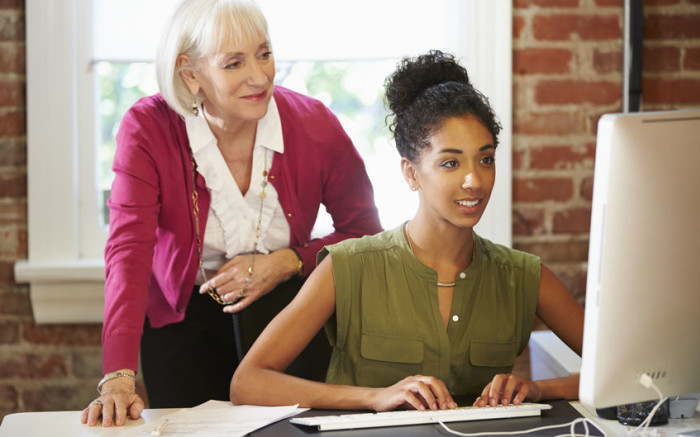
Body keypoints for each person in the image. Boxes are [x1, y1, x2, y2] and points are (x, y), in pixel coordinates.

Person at [80, 0, 381, 427]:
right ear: (191, 74)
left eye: (264, 53)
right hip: (183, 319)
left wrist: (287, 262)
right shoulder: (147, 127)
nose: (259, 76)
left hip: (288, 316)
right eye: (234, 63)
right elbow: (129, 253)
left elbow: (365, 234)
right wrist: (118, 377)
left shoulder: (315, 124)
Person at [230, 50, 585, 412]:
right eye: (450, 163)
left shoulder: (523, 276)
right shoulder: (347, 268)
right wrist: (375, 396)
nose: (474, 180)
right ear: (411, 173)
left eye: (486, 159)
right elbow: (249, 382)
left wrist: (539, 390)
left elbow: (634, 374)